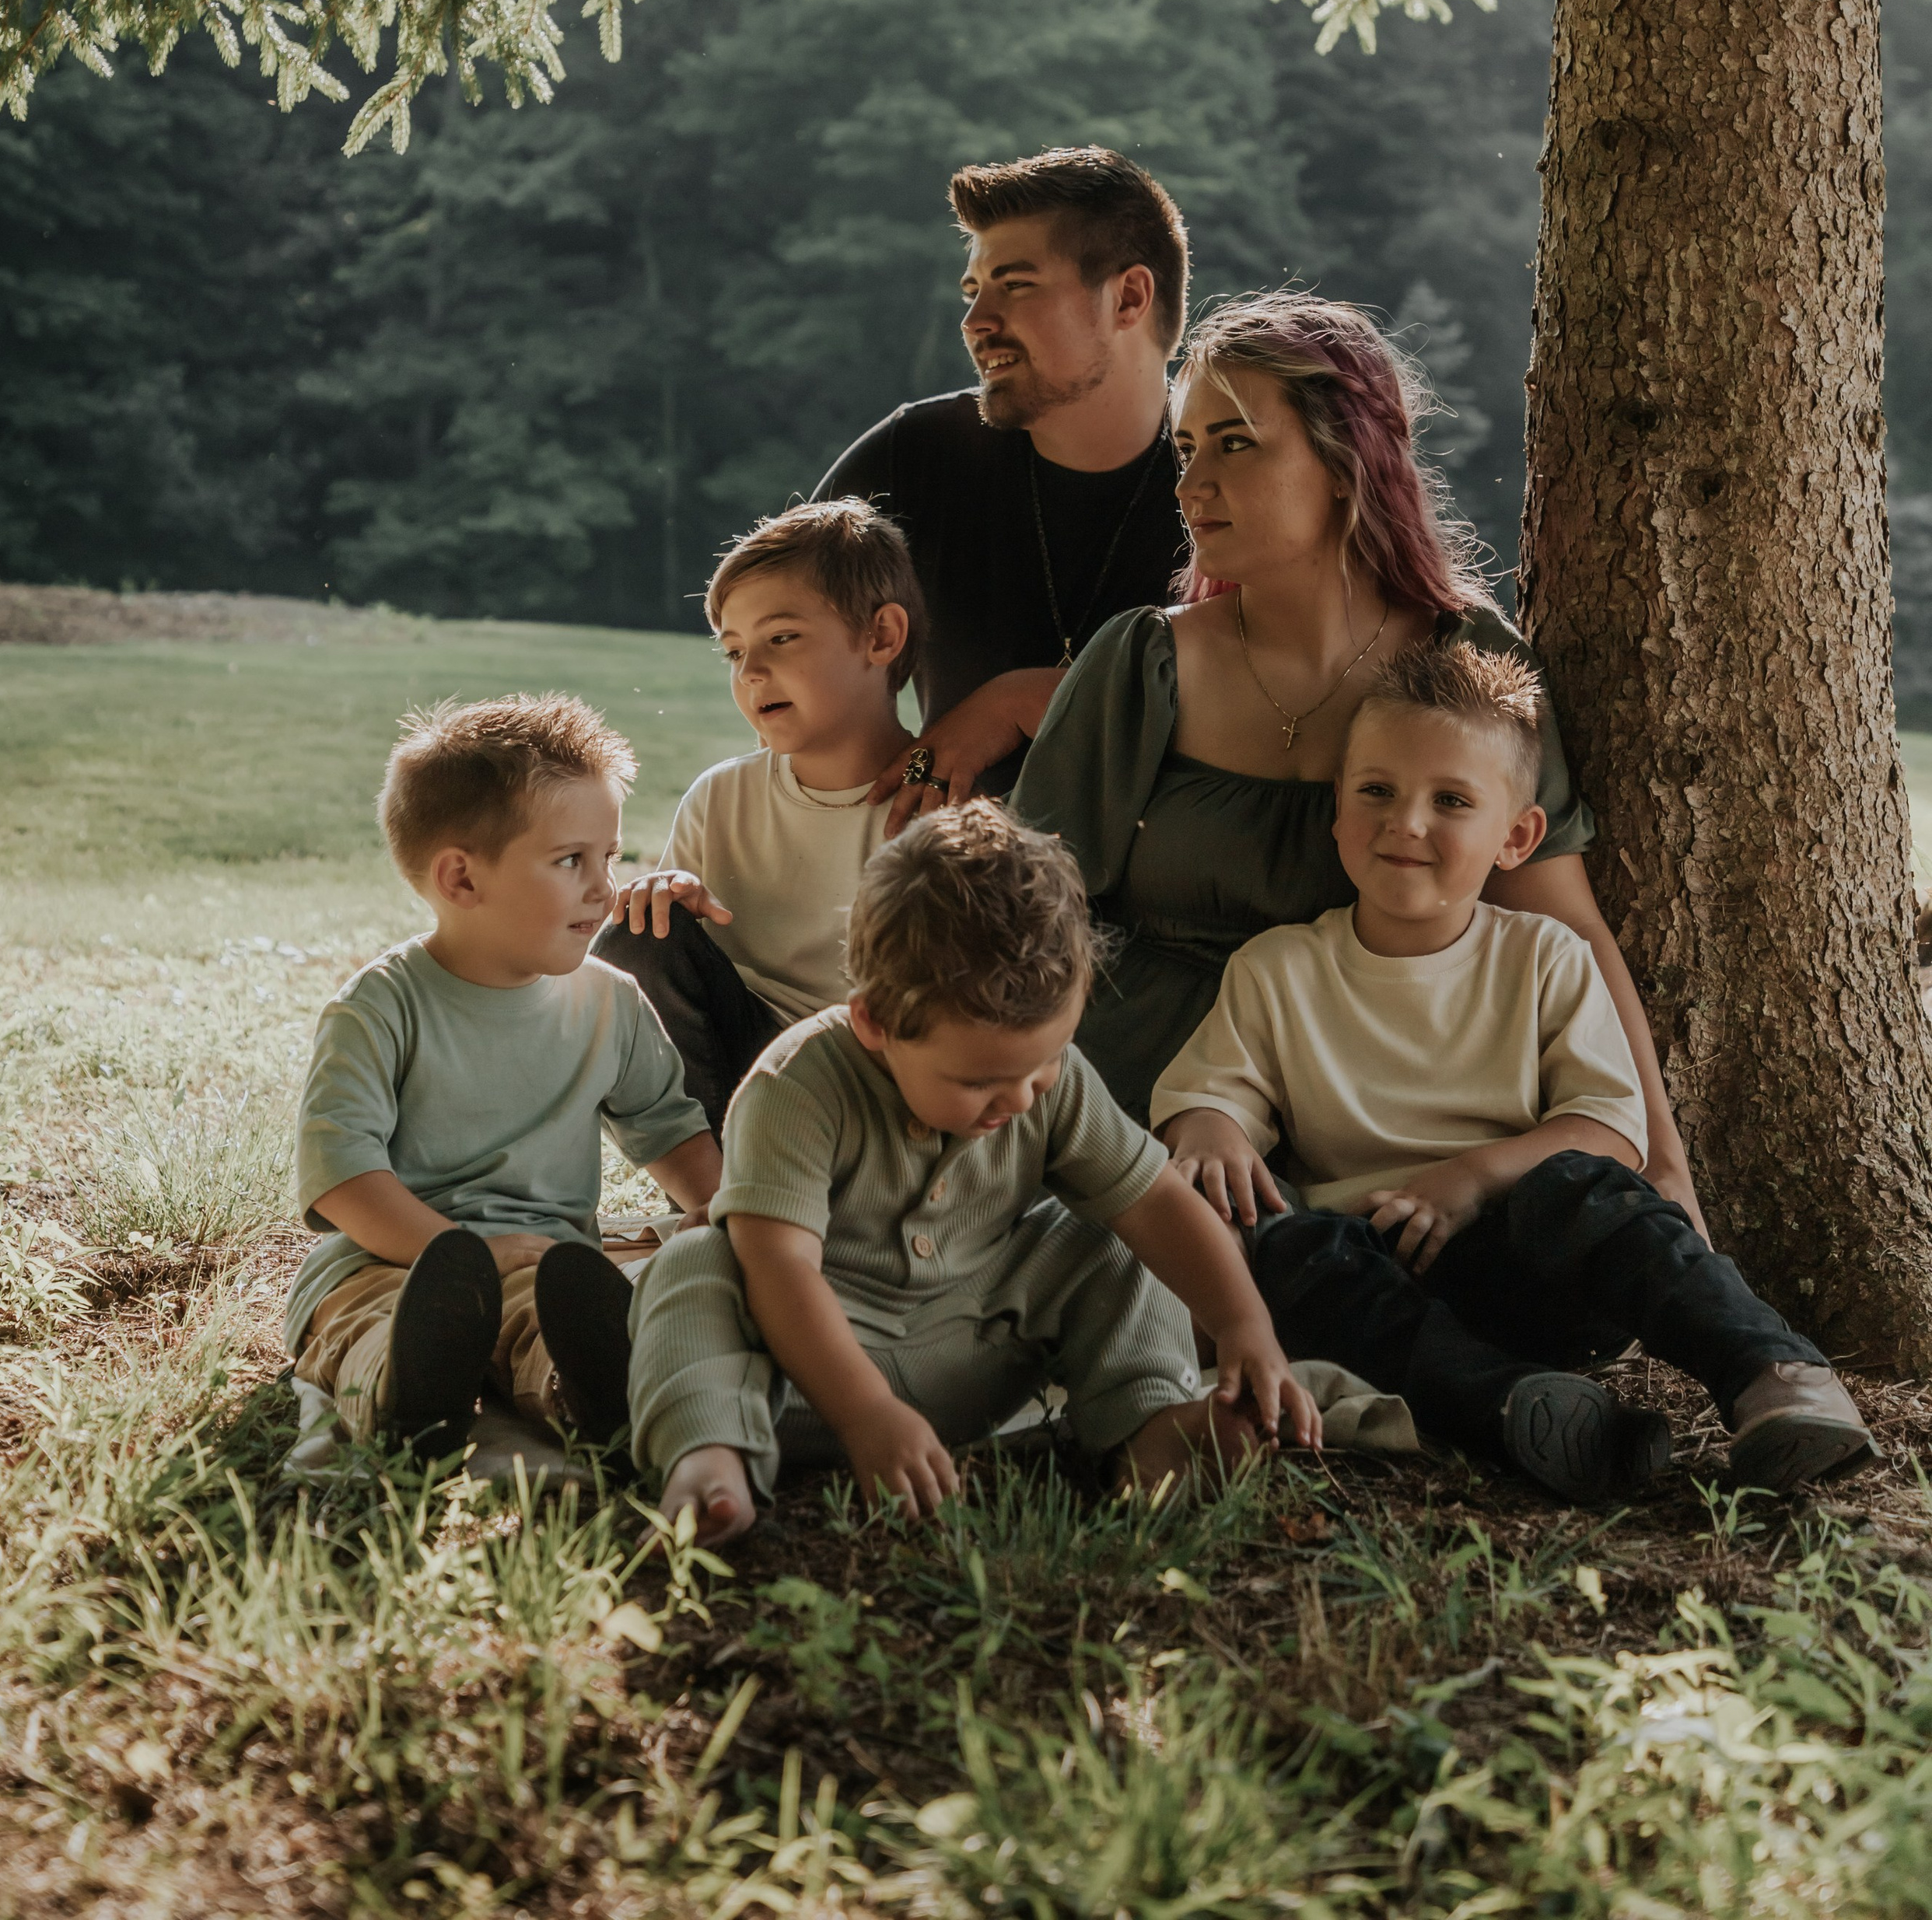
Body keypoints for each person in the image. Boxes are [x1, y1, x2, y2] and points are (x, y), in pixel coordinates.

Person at [1012, 289, 1703, 1231]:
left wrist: (1664, 1166)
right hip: (1149, 1107)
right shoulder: (1144, 663)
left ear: (1346, 462)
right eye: (1186, 448)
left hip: (1376, 1120)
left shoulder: (1466, 665)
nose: (1189, 485)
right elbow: (1025, 919)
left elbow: (1564, 920)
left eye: (1235, 442)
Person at [1151, 642, 1871, 1505]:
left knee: (1590, 1192)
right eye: (1375, 791)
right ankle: (1522, 1410)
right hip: (1377, 1272)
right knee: (1284, 1252)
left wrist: (1470, 1179)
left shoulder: (1544, 959)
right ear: (1336, 812)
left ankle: (1774, 1375)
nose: (1404, 822)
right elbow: (1211, 1094)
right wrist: (1209, 1127)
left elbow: (1609, 1125)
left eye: (1450, 800)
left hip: (1534, 1260)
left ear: (1517, 836)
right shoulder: (1279, 970)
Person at [623, 801, 1325, 1539]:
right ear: (875, 1023)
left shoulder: (1048, 1085)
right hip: (808, 1373)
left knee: (1109, 1239)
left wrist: (1244, 1326)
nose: (1019, 1098)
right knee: (698, 1262)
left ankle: (1146, 1428)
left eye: (1044, 1063)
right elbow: (782, 1271)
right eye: (977, 1081)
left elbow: (1153, 1202)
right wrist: (867, 1414)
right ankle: (711, 1459)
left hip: (978, 1350)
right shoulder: (796, 1087)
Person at [287, 695, 723, 1457]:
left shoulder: (610, 1003)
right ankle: (406, 1396)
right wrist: (456, 1249)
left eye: (611, 858)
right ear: (460, 879)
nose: (604, 888)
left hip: (540, 1260)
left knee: (549, 1319)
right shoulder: (380, 1007)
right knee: (370, 1326)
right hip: (387, 1263)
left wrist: (723, 1208)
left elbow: (670, 1131)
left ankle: (588, 1393)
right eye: (570, 861)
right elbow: (342, 1178)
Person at [818, 148, 1191, 823]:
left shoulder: (1231, 476)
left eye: (1016, 286)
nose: (975, 322)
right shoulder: (914, 457)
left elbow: (1289, 705)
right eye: (973, 291)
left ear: (1130, 297)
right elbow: (776, 639)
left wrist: (1022, 700)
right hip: (947, 887)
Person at [599, 501, 922, 1125]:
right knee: (639, 937)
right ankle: (716, 1194)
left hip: (872, 1096)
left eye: (782, 638)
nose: (751, 671)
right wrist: (664, 896)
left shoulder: (940, 806)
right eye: (734, 652)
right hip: (735, 1086)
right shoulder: (721, 798)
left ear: (881, 637)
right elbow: (661, 985)